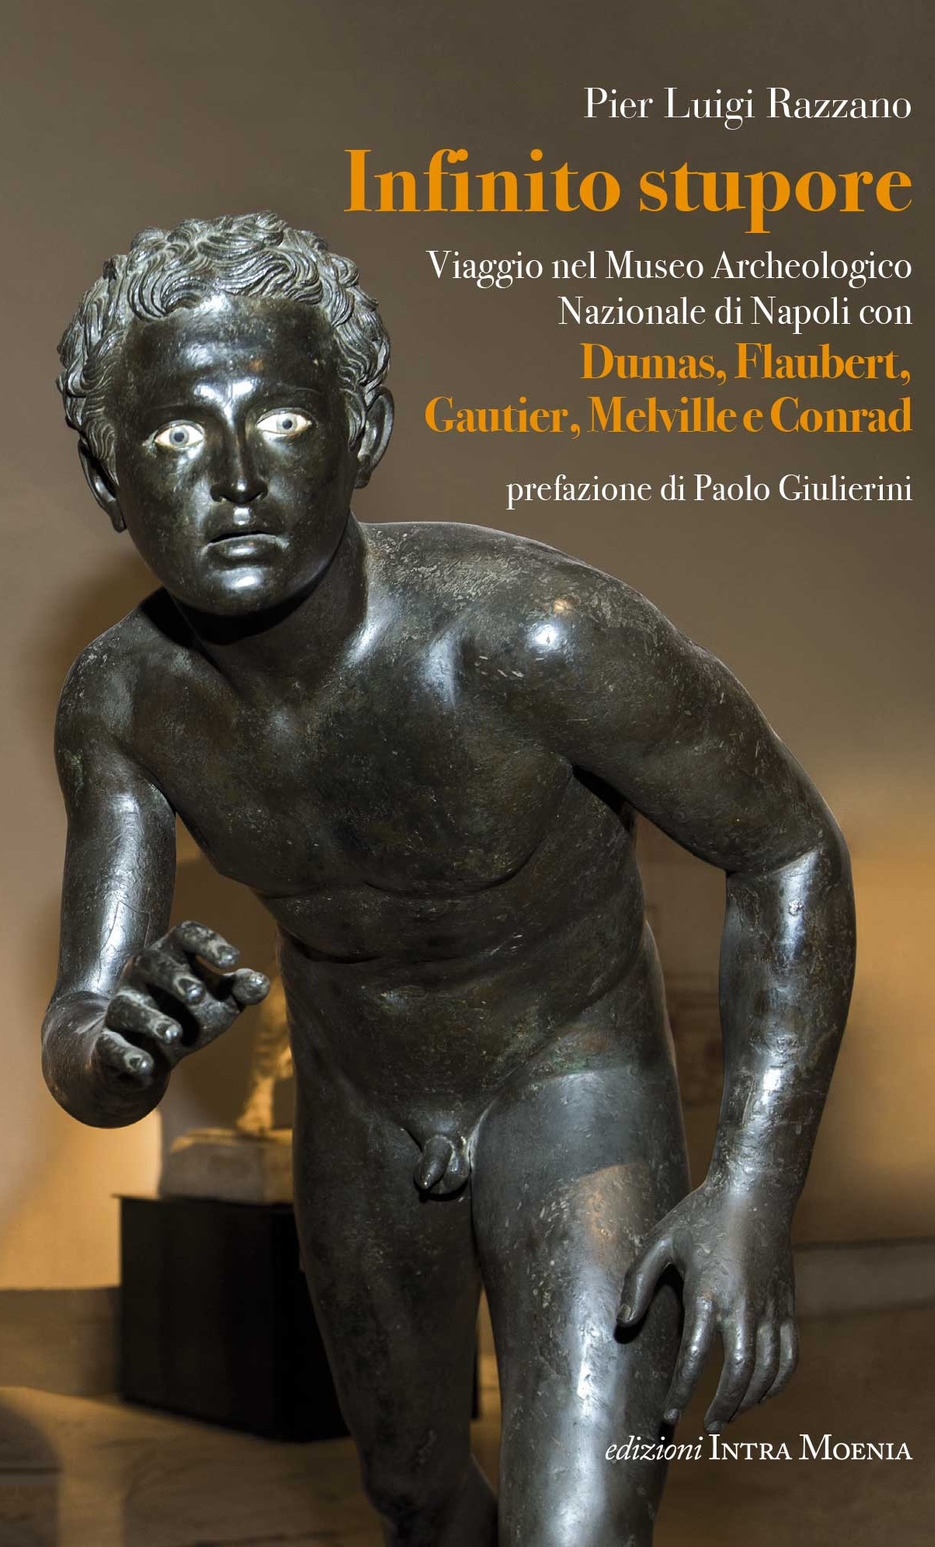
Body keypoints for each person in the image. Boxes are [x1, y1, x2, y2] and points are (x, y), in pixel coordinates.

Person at [43, 213, 855, 1547]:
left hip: (573, 1083)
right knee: (416, 1500)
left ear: (361, 432)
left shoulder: (535, 636)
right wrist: (118, 1048)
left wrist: (756, 1186)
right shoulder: (125, 705)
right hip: (361, 1103)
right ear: (108, 476)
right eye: (178, 435)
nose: (236, 478)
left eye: (282, 421)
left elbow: (788, 848)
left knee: (577, 1531)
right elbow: (83, 1044)